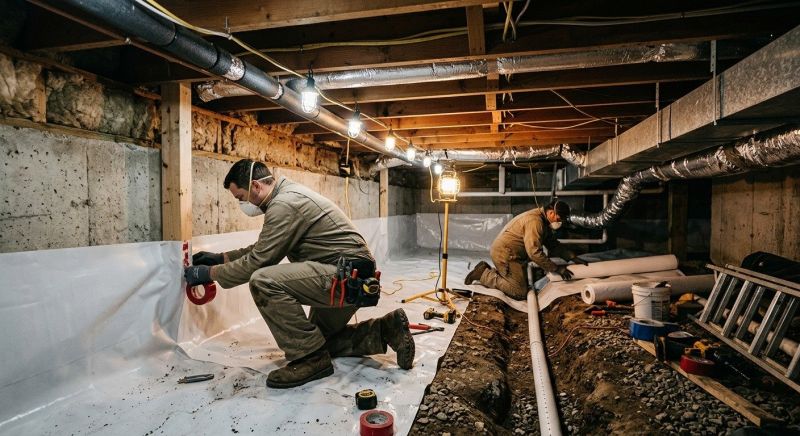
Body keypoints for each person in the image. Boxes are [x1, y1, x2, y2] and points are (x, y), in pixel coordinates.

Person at [184, 159, 414, 388]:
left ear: (256, 186)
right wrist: (220, 258)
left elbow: (258, 262)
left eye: (240, 198)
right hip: (352, 277)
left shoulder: (284, 204)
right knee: (319, 340)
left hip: (344, 278)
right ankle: (386, 330)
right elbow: (262, 248)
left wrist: (209, 273)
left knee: (263, 281)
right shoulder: (287, 196)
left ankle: (310, 360)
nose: (241, 204)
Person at [463, 200, 588, 300]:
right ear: (551, 213)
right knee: (519, 292)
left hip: (511, 254)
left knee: (520, 284)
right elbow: (534, 253)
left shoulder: (543, 222)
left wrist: (572, 257)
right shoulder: (535, 222)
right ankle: (484, 275)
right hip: (506, 255)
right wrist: (556, 268)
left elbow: (553, 245)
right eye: (559, 219)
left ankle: (490, 270)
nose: (559, 223)